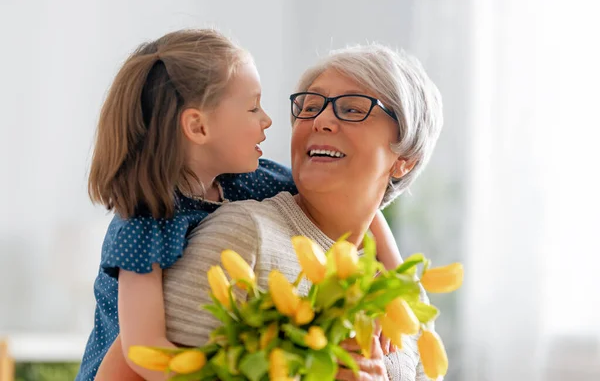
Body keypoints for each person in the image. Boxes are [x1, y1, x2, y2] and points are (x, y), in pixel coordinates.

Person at [77, 29, 403, 381]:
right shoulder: (145, 221)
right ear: (198, 127)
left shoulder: (246, 180)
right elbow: (143, 353)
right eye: (252, 107)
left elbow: (366, 213)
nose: (268, 120)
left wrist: (395, 287)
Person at [162, 43, 444, 381]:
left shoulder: (403, 295)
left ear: (404, 160)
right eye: (310, 107)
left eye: (353, 110)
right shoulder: (245, 234)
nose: (321, 119)